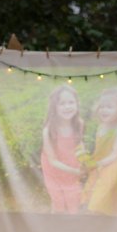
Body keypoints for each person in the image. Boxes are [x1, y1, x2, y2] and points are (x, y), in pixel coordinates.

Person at [81, 87, 117, 216]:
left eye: (109, 107)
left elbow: (114, 154)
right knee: (97, 200)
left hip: (116, 168)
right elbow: (100, 150)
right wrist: (89, 160)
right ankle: (97, 221)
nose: (103, 110)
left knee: (113, 201)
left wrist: (96, 165)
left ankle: (112, 225)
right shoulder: (102, 126)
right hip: (102, 165)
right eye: (101, 106)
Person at [40, 85, 85, 213]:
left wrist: (83, 158)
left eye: (71, 102)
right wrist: (74, 171)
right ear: (54, 107)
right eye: (62, 104)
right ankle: (56, 223)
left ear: (77, 104)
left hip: (71, 163)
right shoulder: (48, 130)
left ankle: (73, 222)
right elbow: (53, 160)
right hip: (53, 169)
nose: (67, 107)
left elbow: (79, 143)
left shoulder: (79, 123)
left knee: (73, 197)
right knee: (58, 199)